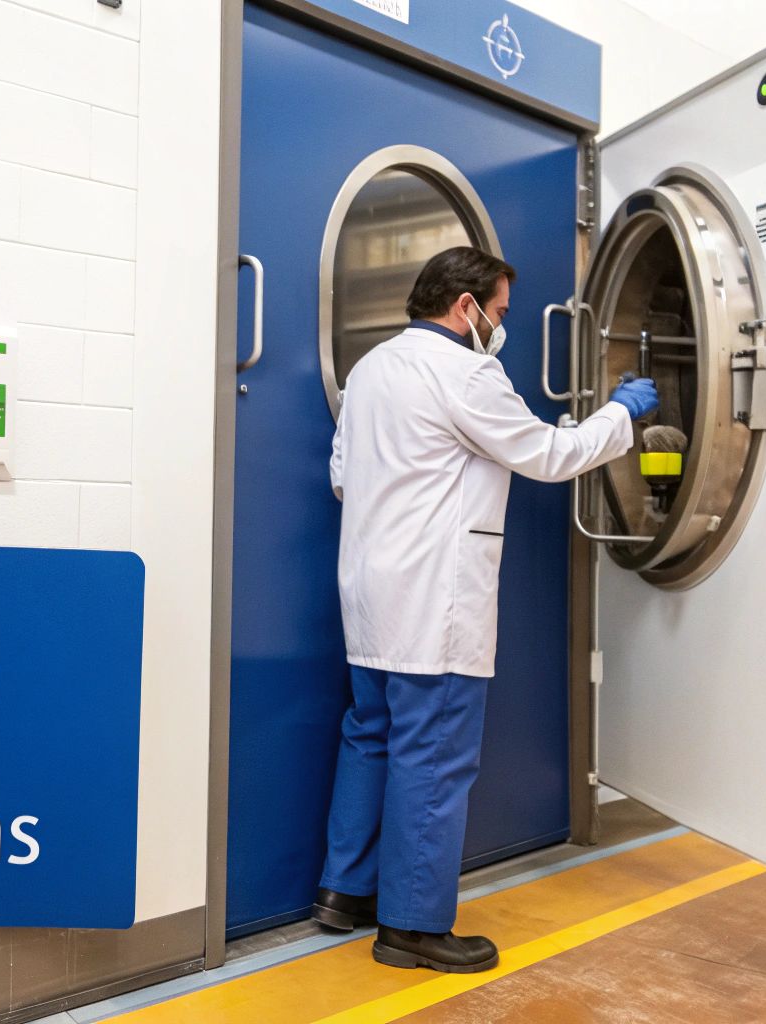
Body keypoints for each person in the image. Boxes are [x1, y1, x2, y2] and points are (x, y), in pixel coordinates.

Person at [312, 247, 658, 973]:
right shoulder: (466, 371)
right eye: (498, 313)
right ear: (465, 308)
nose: (500, 327)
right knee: (433, 759)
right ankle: (410, 926)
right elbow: (548, 454)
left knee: (371, 735)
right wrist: (620, 415)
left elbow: (343, 478)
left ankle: (344, 893)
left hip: (370, 594)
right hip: (433, 599)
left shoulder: (370, 370)